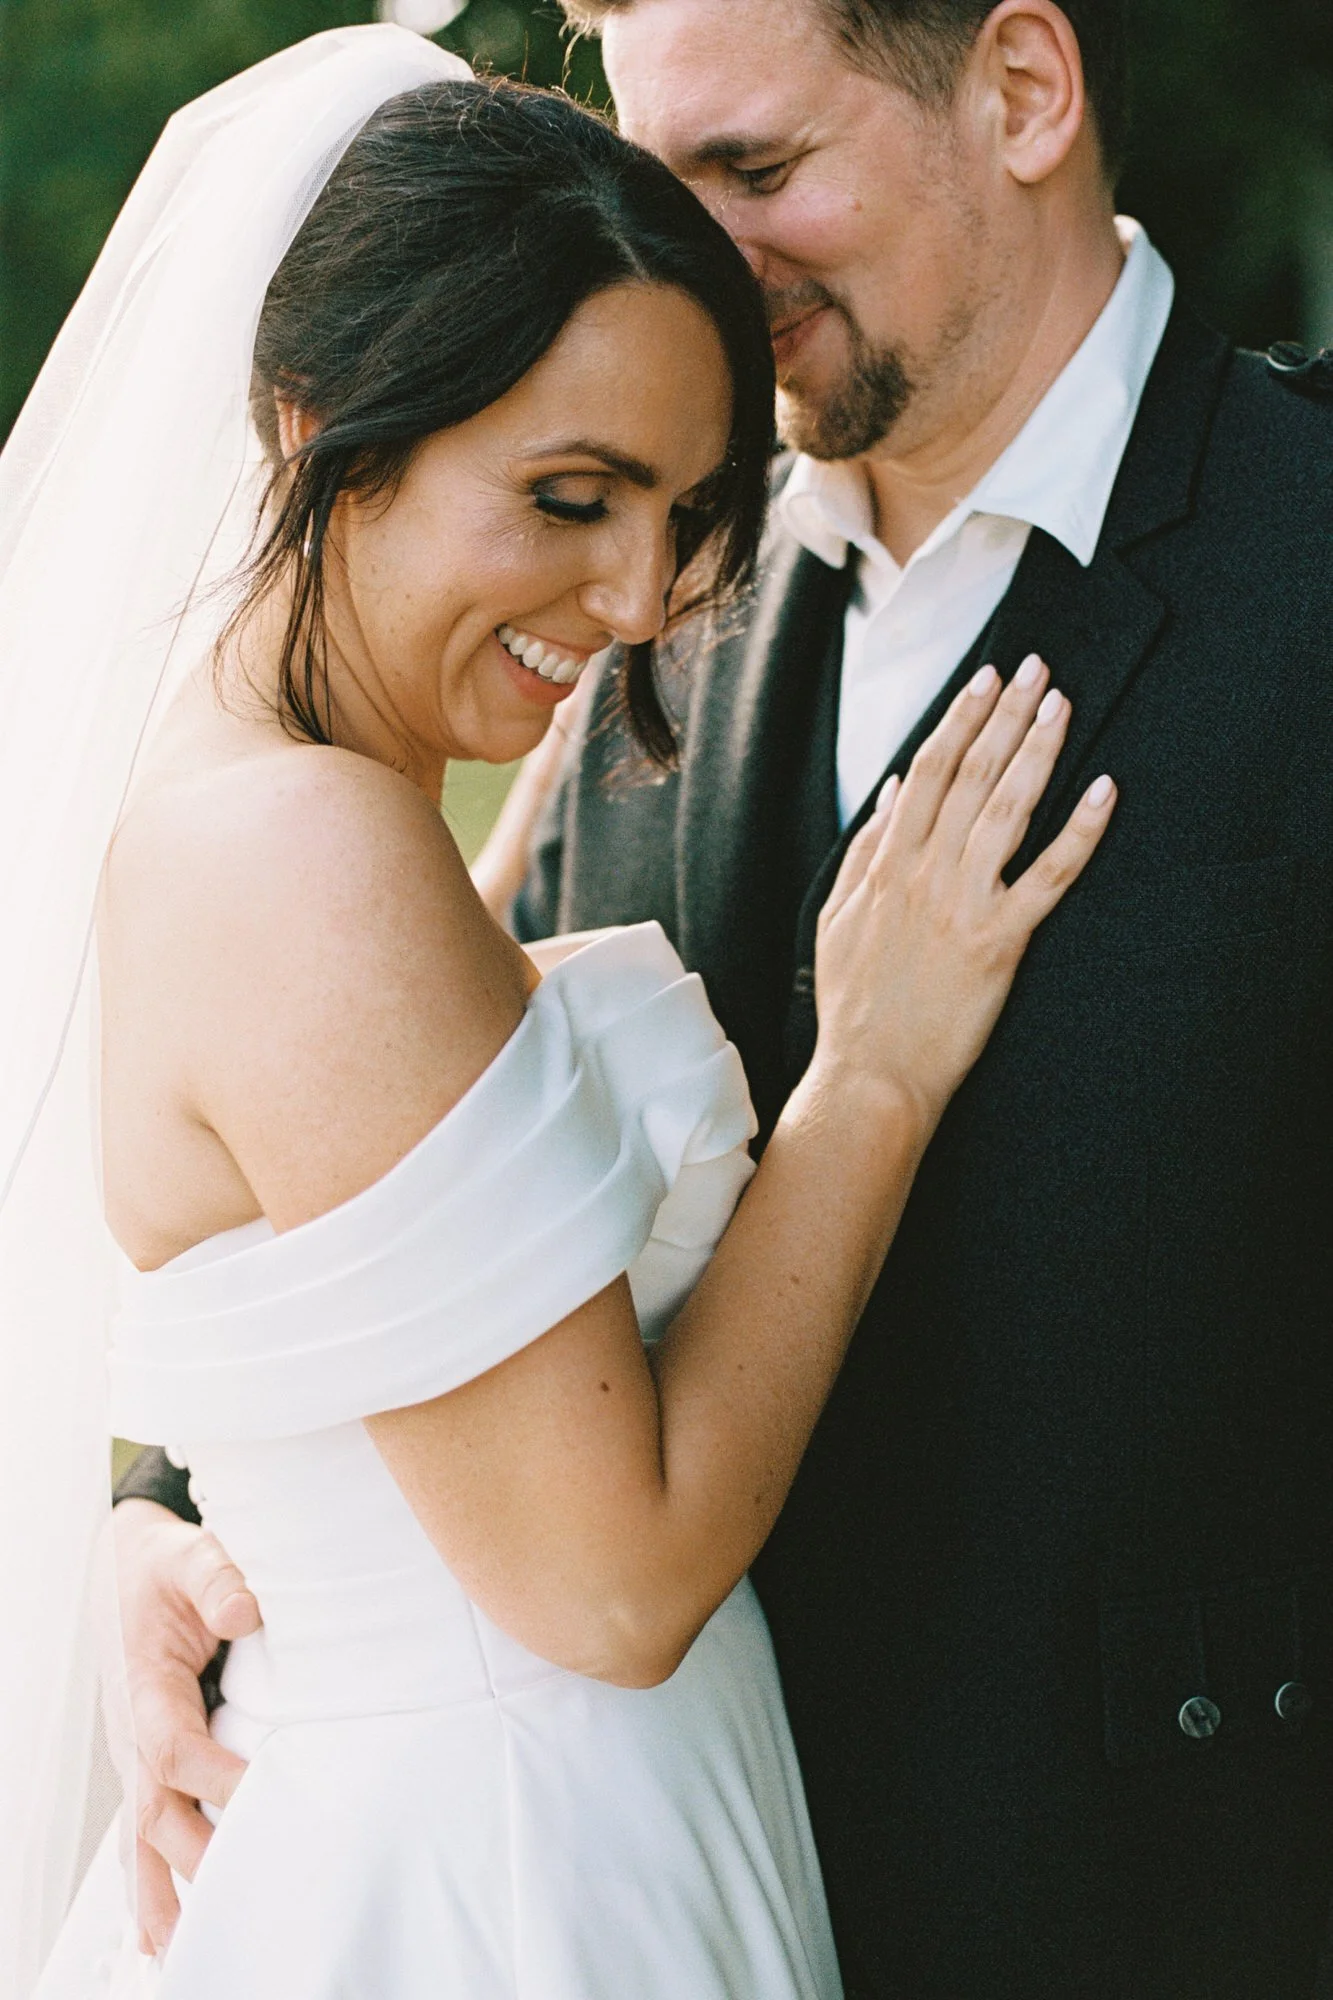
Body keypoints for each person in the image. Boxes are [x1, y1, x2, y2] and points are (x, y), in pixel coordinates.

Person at [118, 1, 1333, 1995]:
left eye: (756, 173)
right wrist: (158, 1533)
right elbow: (406, 1193)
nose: (682, 253)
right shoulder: (622, 574)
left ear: (1024, 92)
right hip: (614, 1895)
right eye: (664, 173)